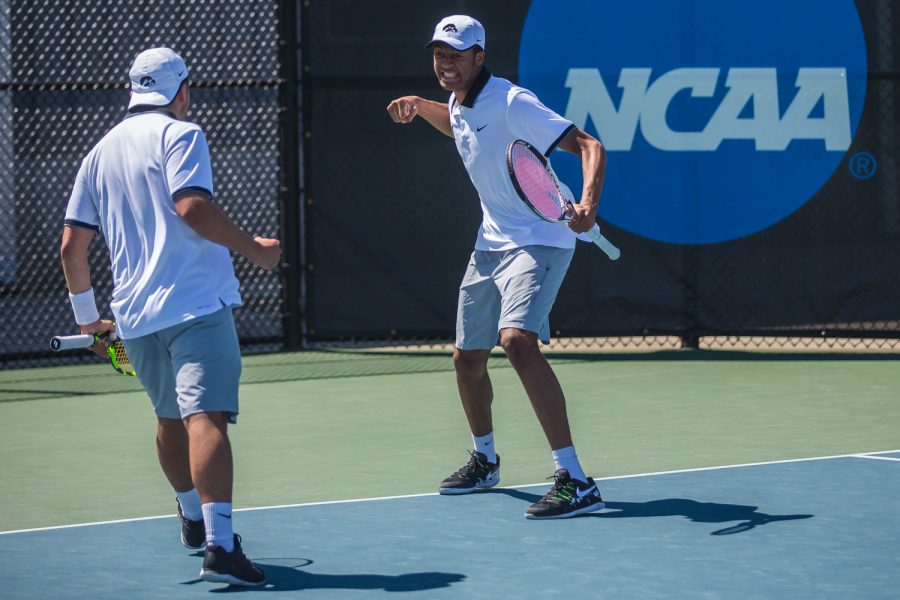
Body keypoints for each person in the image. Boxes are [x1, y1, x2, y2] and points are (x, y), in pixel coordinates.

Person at [59, 48, 279, 585]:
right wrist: (256, 249)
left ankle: (190, 516)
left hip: (135, 320)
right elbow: (192, 207)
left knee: (168, 419)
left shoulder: (98, 154)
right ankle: (221, 547)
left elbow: (71, 246)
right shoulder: (182, 134)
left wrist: (89, 322)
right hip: (195, 305)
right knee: (206, 419)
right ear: (181, 91)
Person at [387, 16, 608, 519]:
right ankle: (485, 460)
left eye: (456, 54)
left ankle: (575, 478)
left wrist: (589, 205)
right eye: (439, 53)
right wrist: (423, 107)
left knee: (517, 342)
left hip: (542, 241)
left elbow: (591, 146)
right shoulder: (458, 102)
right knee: (466, 359)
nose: (445, 62)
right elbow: (461, 127)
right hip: (490, 244)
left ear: (479, 57)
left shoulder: (512, 101)